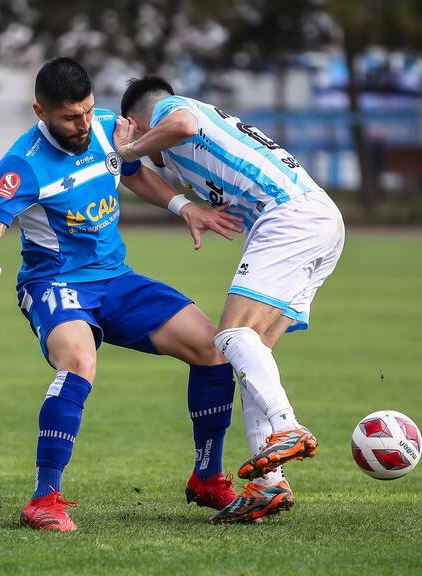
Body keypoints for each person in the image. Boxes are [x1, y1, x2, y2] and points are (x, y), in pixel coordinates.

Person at [0, 58, 245, 532]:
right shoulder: (24, 163)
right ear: (41, 110)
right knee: (78, 360)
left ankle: (207, 475)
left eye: (87, 111)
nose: (82, 125)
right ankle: (44, 498)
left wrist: (183, 207)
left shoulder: (106, 129)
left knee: (213, 348)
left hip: (116, 279)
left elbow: (132, 171)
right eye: (69, 118)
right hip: (53, 283)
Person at [116, 76, 345, 523]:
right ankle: (267, 484)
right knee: (250, 356)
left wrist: (129, 149)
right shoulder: (187, 156)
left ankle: (287, 425)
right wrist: (189, 207)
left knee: (231, 336)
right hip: (319, 220)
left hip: (289, 217)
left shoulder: (172, 109)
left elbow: (179, 124)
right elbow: (149, 175)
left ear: (139, 121)